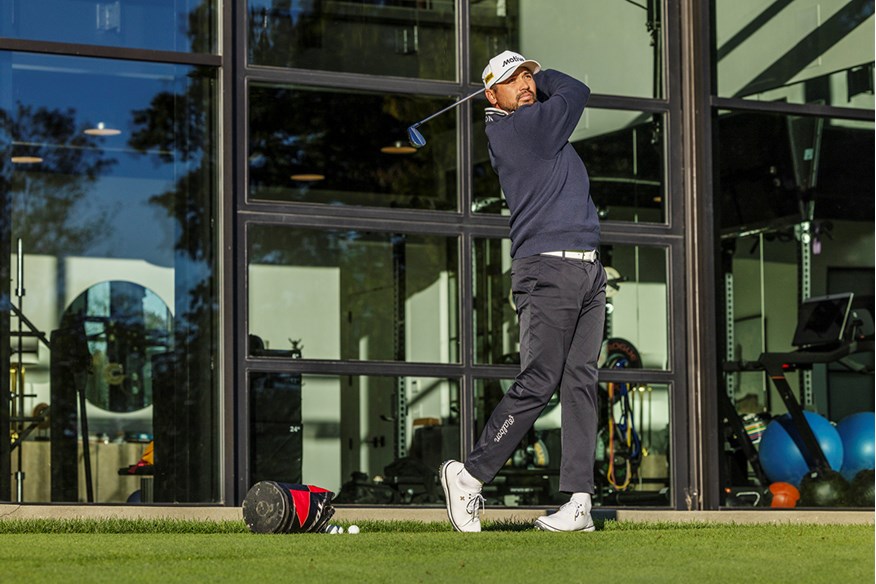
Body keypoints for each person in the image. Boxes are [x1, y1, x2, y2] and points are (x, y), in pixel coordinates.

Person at [440, 50, 606, 533]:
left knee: (580, 382)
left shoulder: (535, 126)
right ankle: (468, 477)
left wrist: (531, 78)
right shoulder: (521, 128)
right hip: (548, 269)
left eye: (529, 76)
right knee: (540, 379)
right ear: (491, 96)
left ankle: (578, 502)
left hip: (587, 268)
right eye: (513, 80)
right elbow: (577, 89)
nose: (527, 84)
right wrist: (546, 75)